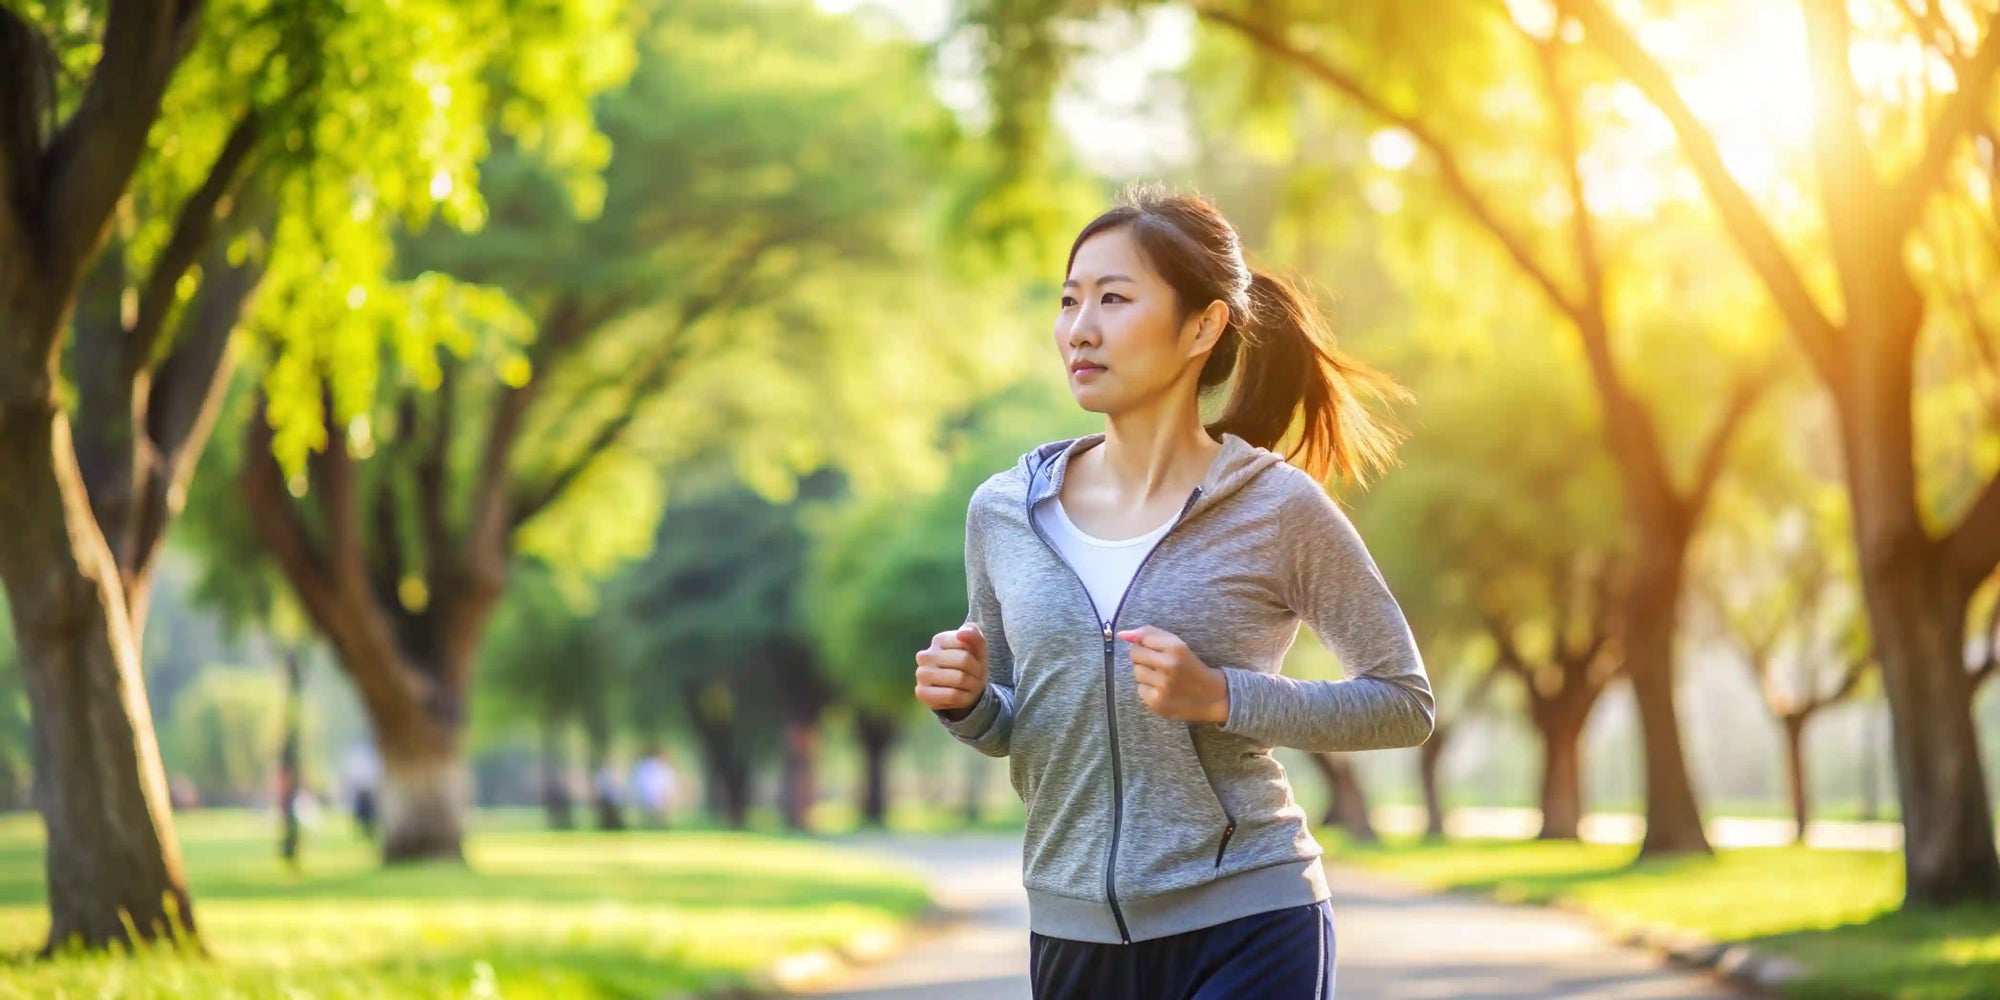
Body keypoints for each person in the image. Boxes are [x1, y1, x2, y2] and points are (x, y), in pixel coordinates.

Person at [913, 185, 1435, 999]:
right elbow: (1023, 722)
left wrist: (1223, 696)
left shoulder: (1277, 507)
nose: (1079, 328)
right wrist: (971, 702)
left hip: (1250, 921)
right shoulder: (1005, 512)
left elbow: (1404, 702)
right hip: (1073, 929)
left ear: (1203, 326)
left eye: (1114, 299)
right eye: (1068, 300)